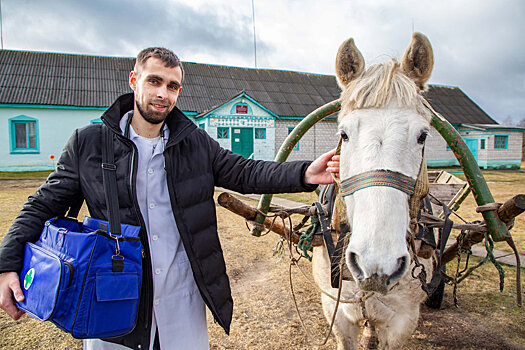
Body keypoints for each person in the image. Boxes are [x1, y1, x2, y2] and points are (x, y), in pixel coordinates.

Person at [0, 47, 340, 350]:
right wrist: (6, 265)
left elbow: (245, 172)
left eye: (172, 86)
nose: (163, 94)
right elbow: (42, 205)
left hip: (181, 296)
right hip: (113, 295)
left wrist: (305, 173)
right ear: (134, 80)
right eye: (154, 82)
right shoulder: (89, 143)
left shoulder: (195, 143)